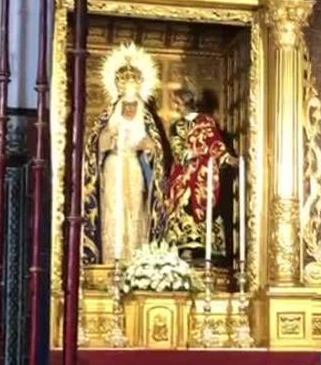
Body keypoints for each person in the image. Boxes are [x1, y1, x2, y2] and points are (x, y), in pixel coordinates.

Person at [83, 43, 167, 265]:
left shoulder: (147, 120)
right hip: (113, 167)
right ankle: (111, 259)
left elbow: (156, 152)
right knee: (113, 210)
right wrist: (107, 141)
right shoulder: (108, 118)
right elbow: (94, 147)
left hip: (134, 168)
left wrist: (149, 149)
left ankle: (136, 259)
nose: (129, 109)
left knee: (135, 210)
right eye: (126, 105)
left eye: (133, 105)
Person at [162, 87, 237, 261]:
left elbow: (215, 144)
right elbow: (177, 149)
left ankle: (207, 246)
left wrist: (226, 158)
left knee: (207, 202)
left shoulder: (206, 121)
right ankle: (184, 245)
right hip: (184, 172)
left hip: (205, 172)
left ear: (186, 102)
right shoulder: (177, 126)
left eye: (178, 103)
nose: (176, 107)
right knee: (182, 201)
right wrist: (191, 153)